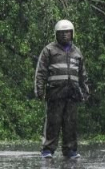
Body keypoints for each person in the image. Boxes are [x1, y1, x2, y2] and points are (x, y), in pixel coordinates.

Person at [34, 19, 90, 159]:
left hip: (72, 93)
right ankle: (47, 150)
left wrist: (85, 91)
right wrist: (39, 91)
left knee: (70, 123)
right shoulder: (49, 50)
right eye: (62, 33)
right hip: (55, 92)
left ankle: (70, 151)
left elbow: (82, 74)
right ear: (56, 34)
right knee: (53, 122)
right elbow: (41, 72)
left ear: (72, 34)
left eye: (68, 33)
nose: (65, 35)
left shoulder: (77, 52)